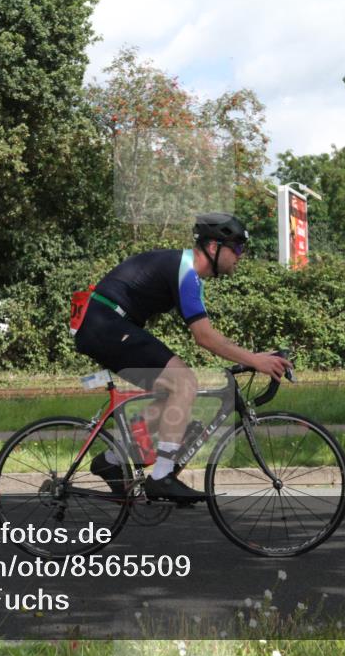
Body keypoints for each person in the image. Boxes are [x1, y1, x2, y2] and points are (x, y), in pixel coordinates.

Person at [74, 213, 291, 502]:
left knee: (173, 392)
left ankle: (112, 460)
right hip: (105, 323)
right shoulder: (185, 270)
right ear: (213, 247)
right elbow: (204, 337)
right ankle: (161, 477)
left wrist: (254, 356)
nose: (240, 256)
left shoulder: (187, 273)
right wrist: (254, 360)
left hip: (104, 324)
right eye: (236, 248)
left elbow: (208, 334)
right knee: (184, 382)